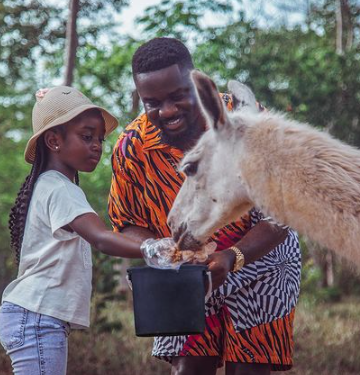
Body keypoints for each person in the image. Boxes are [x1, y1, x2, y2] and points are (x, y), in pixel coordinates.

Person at [108, 37, 301, 375]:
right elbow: (126, 221)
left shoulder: (247, 122)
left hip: (263, 261)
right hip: (184, 273)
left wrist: (232, 257)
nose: (166, 111)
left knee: (250, 368)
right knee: (189, 367)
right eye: (152, 103)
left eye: (178, 96)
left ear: (198, 83)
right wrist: (155, 248)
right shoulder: (133, 149)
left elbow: (280, 216)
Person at [0, 86, 162, 375]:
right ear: (54, 140)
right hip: (37, 316)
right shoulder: (60, 189)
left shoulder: (53, 186)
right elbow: (100, 237)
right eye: (87, 137)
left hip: (34, 316)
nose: (97, 145)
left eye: (99, 138)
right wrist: (154, 248)